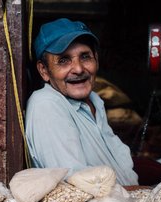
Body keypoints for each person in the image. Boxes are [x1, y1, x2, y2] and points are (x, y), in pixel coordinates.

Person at [25, 18, 139, 186]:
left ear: (96, 60)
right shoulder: (46, 105)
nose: (78, 69)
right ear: (44, 71)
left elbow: (121, 164)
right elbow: (76, 184)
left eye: (85, 57)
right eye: (64, 60)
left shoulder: (95, 100)